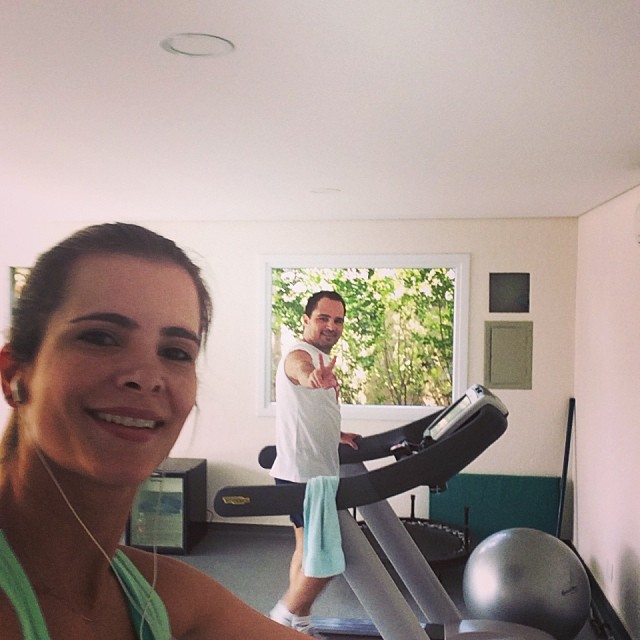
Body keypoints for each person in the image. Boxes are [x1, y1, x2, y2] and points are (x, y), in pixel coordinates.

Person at [0, 222, 307, 639]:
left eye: (175, 352)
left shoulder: (160, 594)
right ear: (14, 373)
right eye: (100, 337)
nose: (146, 377)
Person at [268, 291, 361, 637]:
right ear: (306, 320)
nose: (331, 326)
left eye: (338, 320)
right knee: (326, 559)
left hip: (308, 471)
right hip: (304, 476)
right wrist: (312, 378)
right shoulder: (300, 355)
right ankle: (279, 620)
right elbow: (301, 372)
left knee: (306, 550)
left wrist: (336, 434)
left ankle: (300, 626)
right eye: (323, 318)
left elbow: (311, 411)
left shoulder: (321, 358)